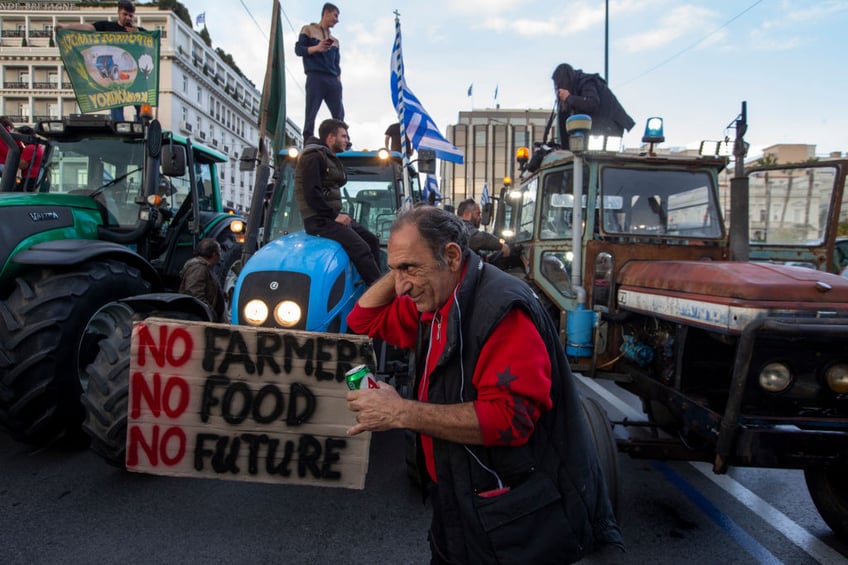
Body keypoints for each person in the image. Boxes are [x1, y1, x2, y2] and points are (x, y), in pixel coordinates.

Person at [345, 206, 623, 563]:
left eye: (410, 268)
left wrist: (400, 412)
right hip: (462, 506)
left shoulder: (501, 308)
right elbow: (363, 319)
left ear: (451, 256)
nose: (401, 286)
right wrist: (401, 265)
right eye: (394, 270)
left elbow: (510, 420)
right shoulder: (435, 297)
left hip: (518, 525)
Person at [295, 118, 381, 285]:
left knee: (371, 240)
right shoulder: (313, 156)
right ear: (330, 137)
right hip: (319, 221)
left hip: (329, 217)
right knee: (361, 249)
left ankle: (378, 284)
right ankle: (378, 294)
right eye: (343, 136)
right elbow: (311, 193)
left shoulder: (327, 156)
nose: (347, 140)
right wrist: (335, 216)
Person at [55, 0, 144, 122]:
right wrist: (66, 27)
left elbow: (154, 42)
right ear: (118, 13)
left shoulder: (140, 31)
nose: (128, 18)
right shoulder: (107, 27)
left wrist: (138, 34)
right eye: (125, 14)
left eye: (131, 15)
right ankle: (118, 129)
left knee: (142, 106)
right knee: (116, 104)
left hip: (134, 76)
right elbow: (87, 27)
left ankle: (144, 131)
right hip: (115, 76)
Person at [552, 63, 634, 149]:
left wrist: (569, 98)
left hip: (609, 125)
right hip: (602, 125)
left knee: (598, 155)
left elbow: (592, 103)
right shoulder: (577, 89)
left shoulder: (586, 82)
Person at [295, 3, 343, 139]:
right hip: (315, 75)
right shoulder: (308, 30)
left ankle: (342, 139)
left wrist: (338, 81)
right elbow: (299, 50)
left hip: (332, 78)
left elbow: (337, 63)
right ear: (326, 13)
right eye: (335, 15)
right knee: (311, 110)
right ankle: (308, 138)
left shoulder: (335, 41)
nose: (336, 20)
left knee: (339, 113)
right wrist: (317, 48)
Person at [179, 238, 226, 321]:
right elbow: (195, 295)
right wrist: (211, 314)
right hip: (200, 319)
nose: (220, 256)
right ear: (215, 254)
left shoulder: (206, 267)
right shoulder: (198, 268)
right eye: (219, 252)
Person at [17, 126, 45, 192]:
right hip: (35, 178)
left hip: (30, 179)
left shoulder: (30, 148)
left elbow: (23, 165)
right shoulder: (38, 147)